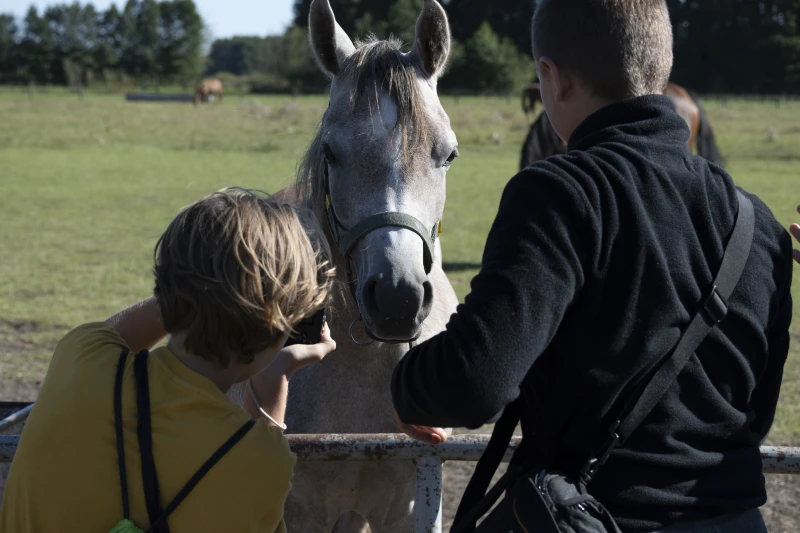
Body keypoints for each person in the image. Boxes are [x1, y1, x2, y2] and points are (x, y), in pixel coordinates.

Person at [390, 1, 793, 532]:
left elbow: (474, 382)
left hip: (591, 518)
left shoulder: (557, 193)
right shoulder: (759, 224)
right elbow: (756, 415)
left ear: (551, 78)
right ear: (662, 66)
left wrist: (406, 386)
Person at [0, 188, 337, 533]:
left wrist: (200, 276)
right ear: (282, 328)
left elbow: (118, 332)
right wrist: (274, 383)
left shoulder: (81, 358)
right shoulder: (261, 464)